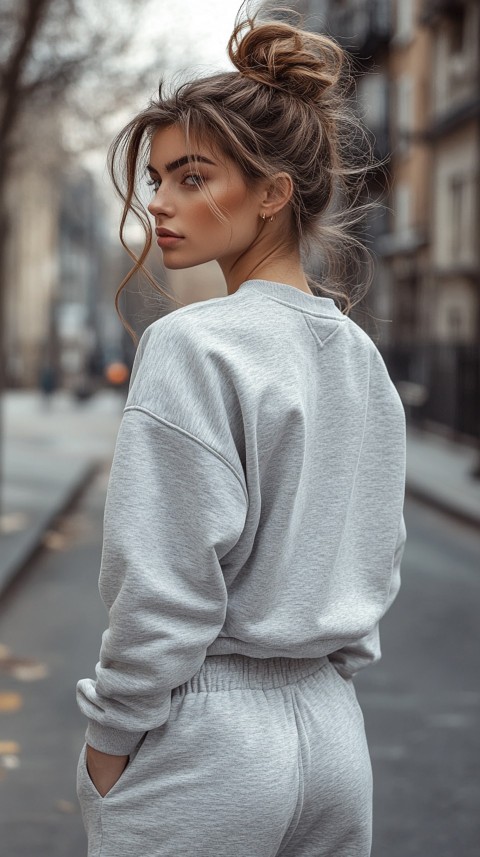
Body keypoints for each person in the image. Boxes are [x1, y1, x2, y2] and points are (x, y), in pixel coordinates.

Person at [76, 4, 407, 856]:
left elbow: (162, 584)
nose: (159, 204)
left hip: (209, 744)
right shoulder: (361, 359)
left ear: (271, 192)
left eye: (192, 177)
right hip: (336, 737)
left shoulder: (191, 342)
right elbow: (376, 553)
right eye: (155, 180)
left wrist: (108, 746)